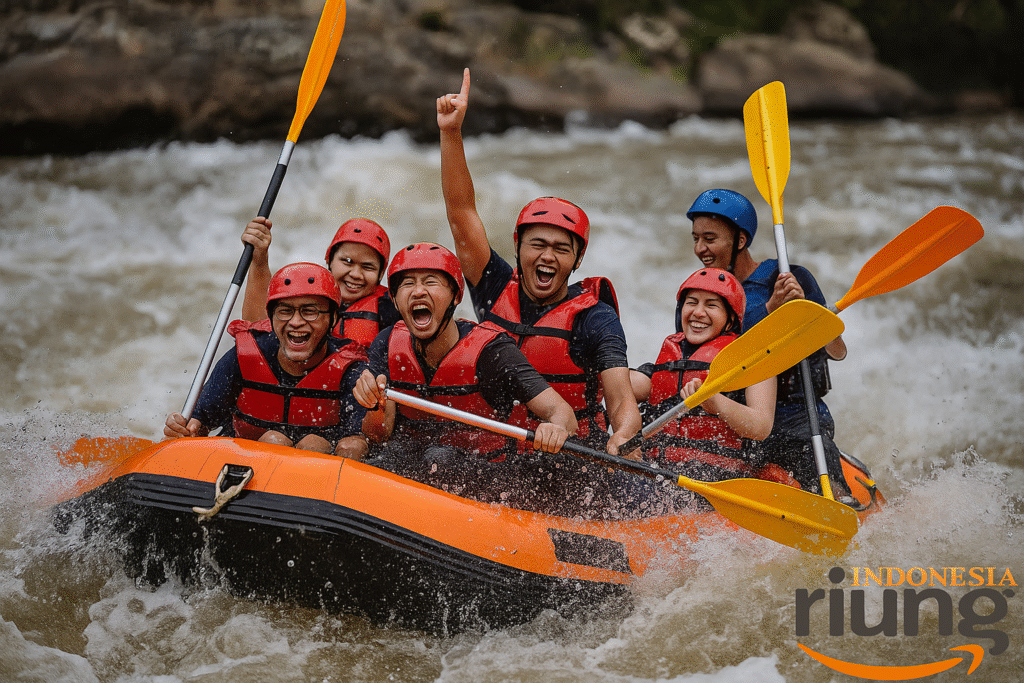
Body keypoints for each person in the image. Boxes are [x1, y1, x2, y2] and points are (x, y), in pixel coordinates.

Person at [436, 68, 642, 456]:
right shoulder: (494, 284)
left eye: (561, 250)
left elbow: (619, 398)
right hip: (497, 450)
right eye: (537, 245)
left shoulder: (594, 318)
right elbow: (461, 213)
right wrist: (450, 133)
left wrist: (626, 433)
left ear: (578, 259)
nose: (547, 257)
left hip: (568, 456)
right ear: (517, 246)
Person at [353, 242, 587, 508]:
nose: (418, 292)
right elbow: (378, 435)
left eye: (431, 282)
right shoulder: (387, 343)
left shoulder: (492, 352)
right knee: (385, 461)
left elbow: (563, 414)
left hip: (488, 472)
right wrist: (375, 405)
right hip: (422, 465)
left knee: (438, 460)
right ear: (395, 299)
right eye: (407, 284)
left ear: (455, 296)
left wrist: (555, 429)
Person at [687, 188, 851, 496]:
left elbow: (838, 350)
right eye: (695, 238)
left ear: (740, 241)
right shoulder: (702, 294)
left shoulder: (789, 278)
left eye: (710, 239)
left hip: (795, 417)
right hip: (734, 415)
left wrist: (804, 316)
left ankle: (840, 492)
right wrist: (769, 314)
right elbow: (702, 356)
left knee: (835, 493)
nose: (700, 249)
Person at [164, 262, 370, 459]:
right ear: (270, 318)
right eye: (285, 311)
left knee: (316, 444)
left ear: (333, 318)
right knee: (274, 440)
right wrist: (181, 428)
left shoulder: (350, 368)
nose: (296, 322)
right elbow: (199, 424)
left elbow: (361, 441)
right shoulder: (244, 358)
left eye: (310, 311)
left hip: (319, 472)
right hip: (244, 467)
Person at [630, 268, 776, 484]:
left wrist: (716, 403)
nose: (698, 312)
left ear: (730, 319)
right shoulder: (665, 363)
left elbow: (761, 427)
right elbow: (621, 387)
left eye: (711, 305)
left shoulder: (752, 362)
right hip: (657, 474)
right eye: (692, 302)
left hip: (720, 481)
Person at [239, 215, 401, 347]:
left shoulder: (391, 307)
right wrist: (259, 260)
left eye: (368, 267)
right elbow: (258, 332)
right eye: (347, 261)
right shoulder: (308, 291)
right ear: (329, 260)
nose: (356, 274)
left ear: (381, 275)